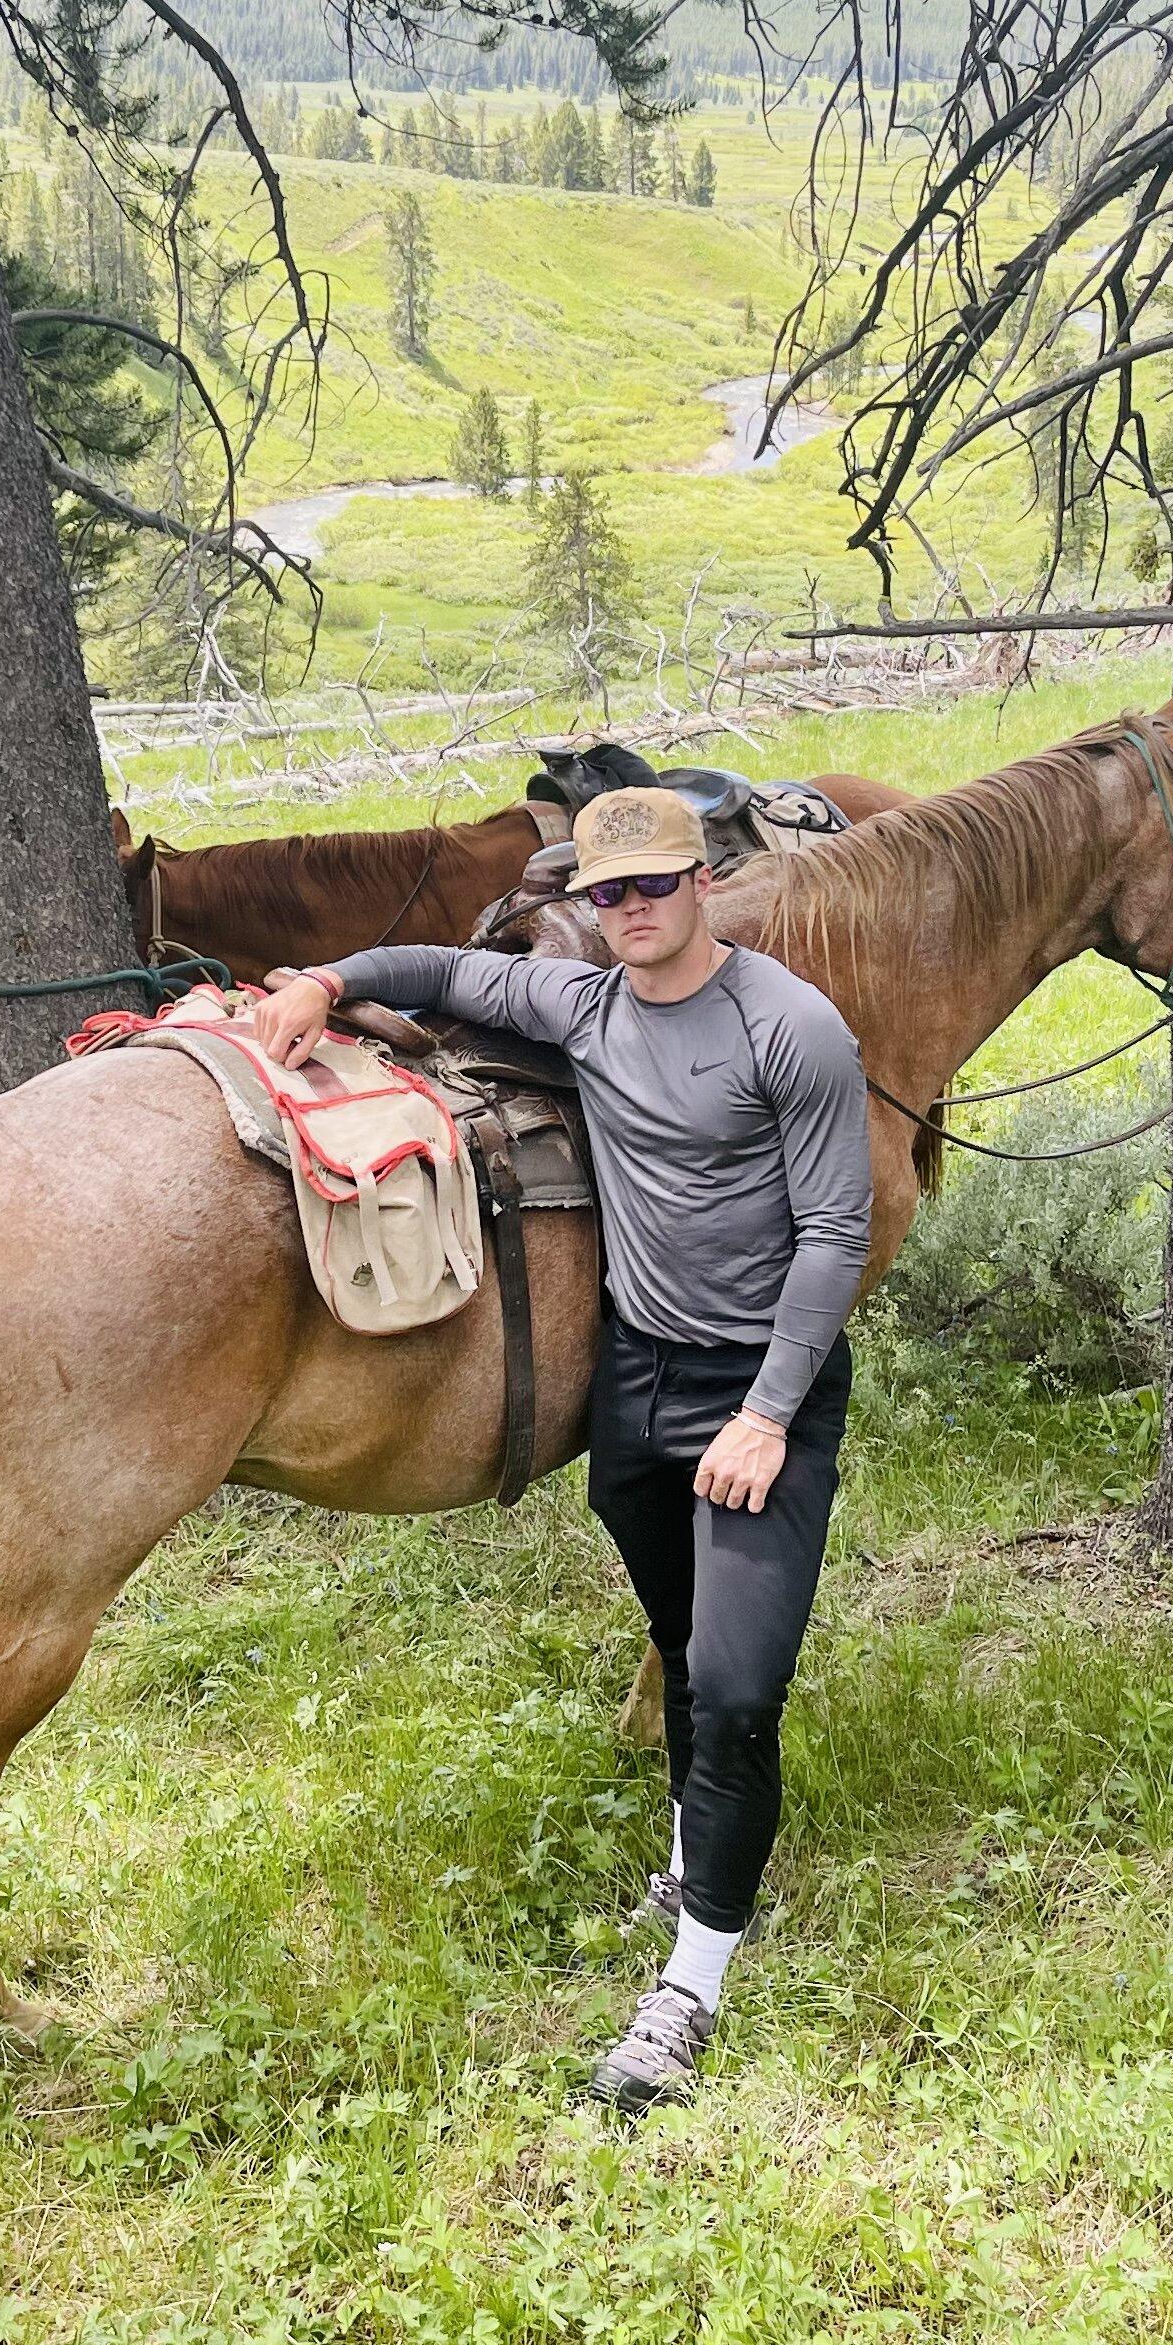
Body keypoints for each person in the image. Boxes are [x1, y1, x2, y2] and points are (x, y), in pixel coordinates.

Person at [241, 783, 870, 2115]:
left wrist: (766, 1414)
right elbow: (434, 969)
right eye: (607, 894)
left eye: (651, 887)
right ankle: (705, 1842)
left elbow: (836, 1237)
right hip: (638, 1390)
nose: (631, 911)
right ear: (586, 906)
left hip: (764, 1393)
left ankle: (691, 1985)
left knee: (741, 1686)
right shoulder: (582, 1006)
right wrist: (322, 981)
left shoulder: (790, 1029)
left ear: (703, 883)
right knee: (688, 1645)